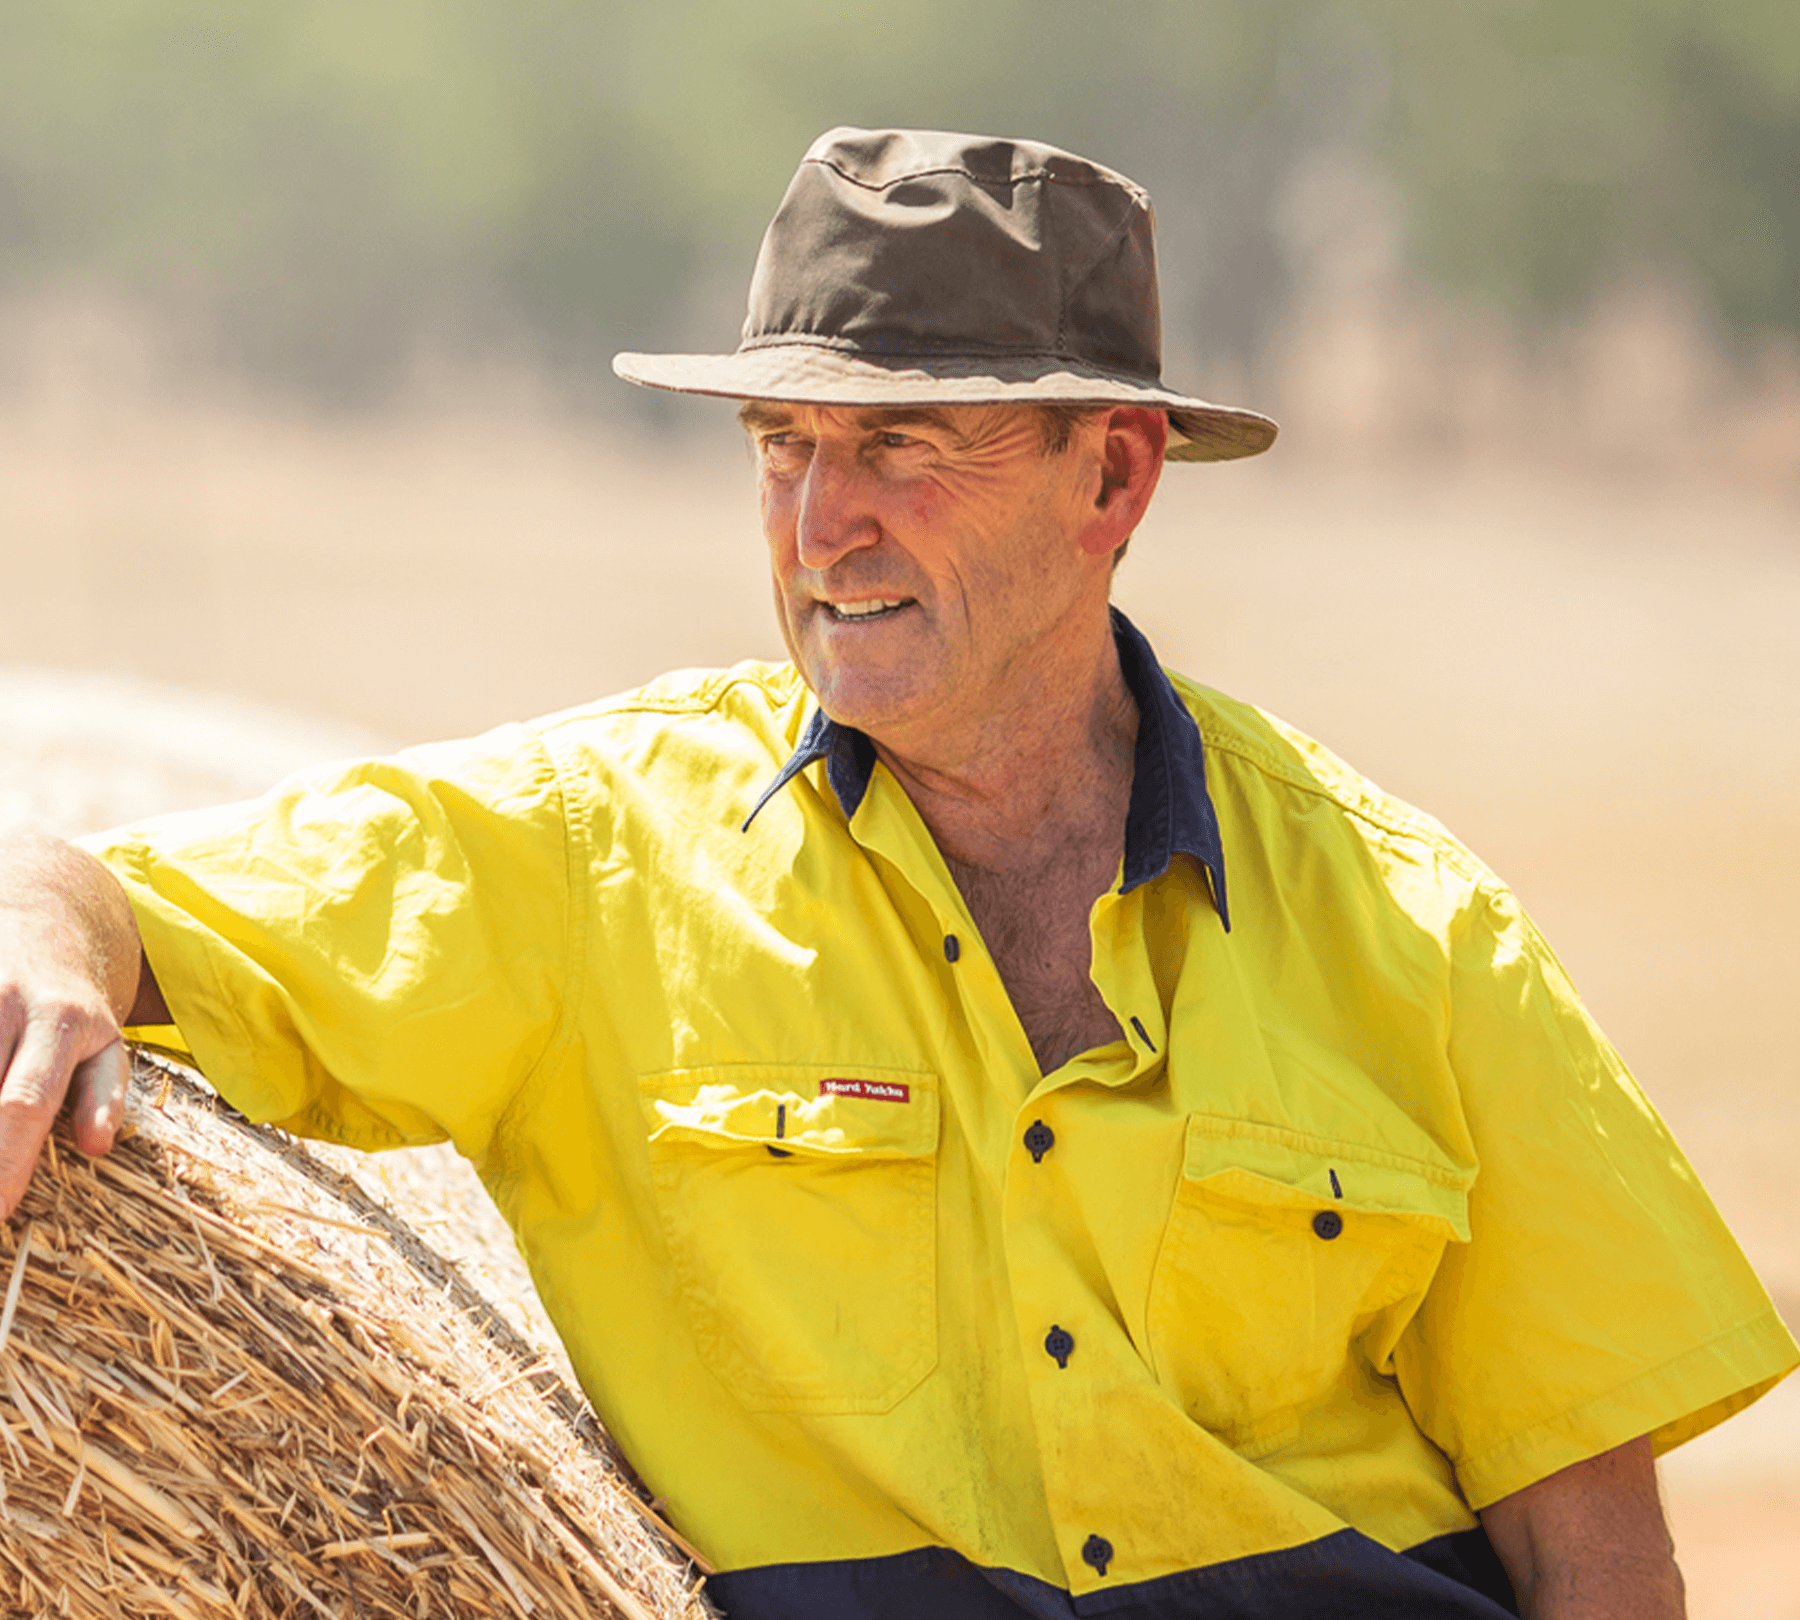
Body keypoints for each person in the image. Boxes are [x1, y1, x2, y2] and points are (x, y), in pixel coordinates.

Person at [0, 127, 1791, 1620]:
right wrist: (46, 947)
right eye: (781, 447)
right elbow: (94, 899)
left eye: (899, 445)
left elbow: (1595, 1551)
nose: (817, 524)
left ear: (1114, 476)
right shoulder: (584, 855)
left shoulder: (1419, 930)